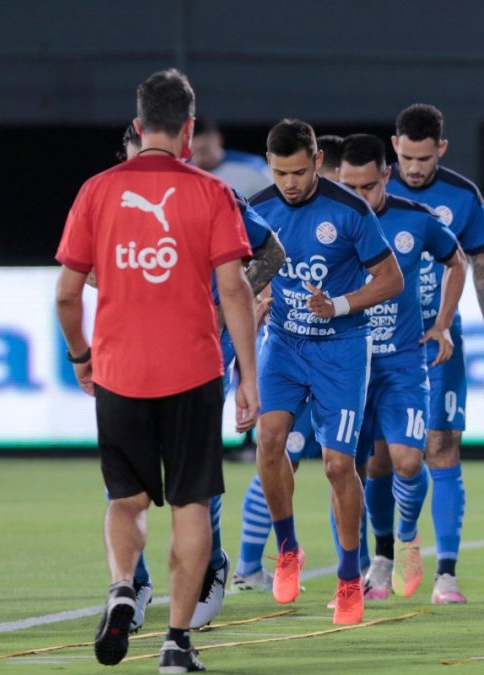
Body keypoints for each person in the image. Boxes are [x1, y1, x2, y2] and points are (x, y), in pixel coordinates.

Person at [55, 68, 258, 672]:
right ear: (189, 129)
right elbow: (235, 289)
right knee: (192, 504)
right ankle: (176, 643)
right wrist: (249, 376)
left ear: (139, 126)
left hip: (119, 372)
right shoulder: (211, 192)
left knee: (126, 499)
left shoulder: (96, 190)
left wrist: (81, 356)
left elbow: (67, 295)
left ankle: (123, 587)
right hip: (193, 372)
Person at [116, 125, 284, 632]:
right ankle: (134, 581)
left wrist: (223, 305)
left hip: (201, 351)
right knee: (126, 483)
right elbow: (90, 268)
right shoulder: (110, 193)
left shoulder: (216, 192)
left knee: (194, 475)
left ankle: (210, 568)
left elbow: (271, 252)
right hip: (136, 351)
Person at [250, 118, 403, 625]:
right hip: (285, 346)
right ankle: (288, 547)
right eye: (279, 172)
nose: (289, 183)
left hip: (340, 348)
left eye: (298, 171)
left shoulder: (350, 210)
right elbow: (245, 281)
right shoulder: (260, 209)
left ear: (317, 160)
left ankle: (347, 578)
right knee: (269, 440)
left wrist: (338, 305)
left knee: (339, 466)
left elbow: (391, 279)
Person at [335, 134, 466, 600]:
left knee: (409, 461)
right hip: (348, 359)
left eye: (367, 187)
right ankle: (368, 566)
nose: (358, 198)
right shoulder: (328, 218)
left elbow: (458, 260)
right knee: (353, 466)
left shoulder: (414, 220)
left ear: (385, 176)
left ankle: (407, 536)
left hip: (403, 360)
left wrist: (444, 323)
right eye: (348, 187)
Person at [386, 103, 484, 604]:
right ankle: (395, 544)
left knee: (442, 447)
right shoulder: (373, 189)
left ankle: (446, 574)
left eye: (424, 158)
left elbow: (480, 268)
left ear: (441, 149)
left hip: (441, 340)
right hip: (383, 340)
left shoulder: (462, 196)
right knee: (383, 460)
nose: (415, 168)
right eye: (407, 157)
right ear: (395, 145)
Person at [191, 117, 273, 197]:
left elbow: (276, 203)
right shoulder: (182, 174)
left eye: (204, 150)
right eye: (193, 152)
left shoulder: (252, 167)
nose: (199, 158)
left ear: (218, 140)